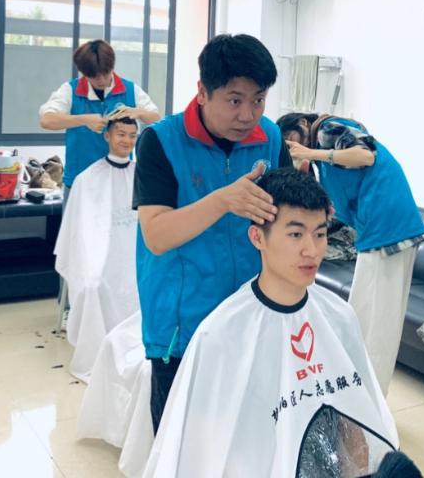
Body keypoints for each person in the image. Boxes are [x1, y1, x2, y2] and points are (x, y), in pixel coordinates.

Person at [143, 169, 399, 478]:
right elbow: (203, 448)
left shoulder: (339, 317)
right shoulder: (221, 334)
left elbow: (355, 416)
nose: (311, 250)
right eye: (295, 234)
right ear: (257, 237)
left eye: (320, 234)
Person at [133, 33, 292, 434]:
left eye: (259, 100)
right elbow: (156, 235)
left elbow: (286, 210)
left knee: (248, 435)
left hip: (251, 315)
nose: (248, 115)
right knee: (182, 442)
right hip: (182, 325)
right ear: (202, 92)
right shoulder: (161, 141)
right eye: (235, 100)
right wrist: (222, 200)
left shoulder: (270, 138)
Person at [287, 115, 424, 395]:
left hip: (388, 232)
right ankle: (355, 394)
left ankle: (371, 402)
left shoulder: (328, 129)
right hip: (378, 232)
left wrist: (310, 153)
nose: (294, 148)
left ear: (303, 124)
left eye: (292, 141)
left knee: (378, 327)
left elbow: (365, 155)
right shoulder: (323, 157)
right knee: (360, 318)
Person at [54, 114, 140, 380]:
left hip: (134, 254)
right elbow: (79, 232)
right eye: (121, 134)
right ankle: (97, 351)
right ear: (107, 136)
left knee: (139, 280)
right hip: (98, 254)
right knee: (93, 284)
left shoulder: (143, 175)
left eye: (132, 135)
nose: (126, 140)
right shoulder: (87, 179)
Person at [39, 39, 160, 190]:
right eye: (95, 76)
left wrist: (138, 112)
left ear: (112, 67)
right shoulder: (70, 90)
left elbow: (155, 117)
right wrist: (83, 119)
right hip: (79, 182)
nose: (101, 80)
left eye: (105, 74)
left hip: (119, 181)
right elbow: (47, 120)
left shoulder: (131, 90)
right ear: (84, 73)